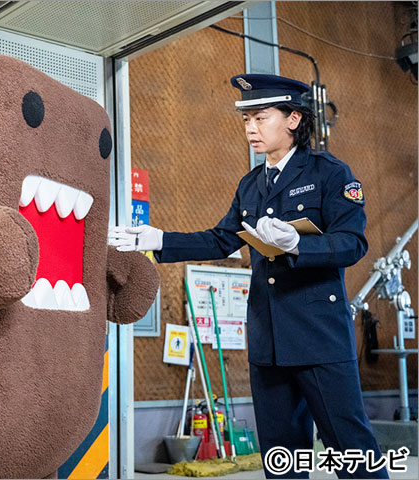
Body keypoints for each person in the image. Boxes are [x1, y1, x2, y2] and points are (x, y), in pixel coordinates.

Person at [108, 74, 389, 479]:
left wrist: (298, 244)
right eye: (246, 120)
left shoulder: (330, 174)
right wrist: (158, 240)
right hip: (268, 340)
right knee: (282, 459)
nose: (250, 129)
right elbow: (222, 239)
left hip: (319, 338)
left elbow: (352, 244)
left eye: (260, 117)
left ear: (294, 118)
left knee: (352, 450)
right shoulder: (251, 185)